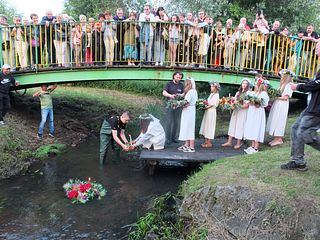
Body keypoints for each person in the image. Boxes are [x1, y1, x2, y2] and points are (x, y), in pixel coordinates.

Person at [281, 70, 320, 171]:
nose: (315, 52)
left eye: (317, 52)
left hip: (317, 111)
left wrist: (298, 87)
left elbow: (316, 84)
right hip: (311, 108)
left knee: (305, 134)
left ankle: (298, 161)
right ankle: (298, 162)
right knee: (295, 129)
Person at [266, 70, 294, 146]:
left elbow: (286, 97)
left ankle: (279, 139)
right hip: (278, 104)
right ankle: (276, 138)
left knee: (279, 120)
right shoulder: (282, 85)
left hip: (282, 105)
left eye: (282, 75)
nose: (281, 76)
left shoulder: (289, 85)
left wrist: (276, 97)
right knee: (275, 119)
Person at [222, 78, 251, 149]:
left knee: (240, 126)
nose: (244, 85)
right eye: (243, 83)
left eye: (246, 84)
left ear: (248, 85)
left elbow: (247, 105)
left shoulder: (248, 93)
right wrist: (230, 100)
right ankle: (229, 142)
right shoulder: (238, 92)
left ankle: (238, 143)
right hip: (236, 110)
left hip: (242, 111)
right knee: (233, 124)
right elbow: (235, 100)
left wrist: (239, 105)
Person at [243, 78, 270, 154]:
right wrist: (250, 101)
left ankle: (256, 148)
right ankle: (252, 146)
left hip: (258, 113)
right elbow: (249, 102)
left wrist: (255, 102)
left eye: (256, 84)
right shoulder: (254, 93)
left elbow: (260, 104)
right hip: (252, 112)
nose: (255, 86)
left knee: (257, 128)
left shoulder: (263, 94)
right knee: (252, 127)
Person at [162, 71, 184, 145]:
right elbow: (164, 92)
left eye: (180, 78)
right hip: (170, 106)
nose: (179, 79)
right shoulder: (169, 84)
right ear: (174, 76)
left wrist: (180, 95)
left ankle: (174, 138)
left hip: (178, 106)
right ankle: (167, 138)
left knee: (176, 122)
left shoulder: (181, 85)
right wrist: (170, 96)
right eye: (177, 77)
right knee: (168, 122)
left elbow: (184, 94)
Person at [178, 77, 198, 152]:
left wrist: (178, 104)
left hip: (189, 110)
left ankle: (192, 147)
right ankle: (186, 144)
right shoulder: (191, 91)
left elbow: (186, 103)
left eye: (186, 82)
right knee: (186, 126)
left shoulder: (191, 92)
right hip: (188, 111)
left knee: (189, 127)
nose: (185, 84)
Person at [199, 81, 220, 148]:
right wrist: (203, 104)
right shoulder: (211, 94)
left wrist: (205, 107)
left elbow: (212, 104)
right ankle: (206, 141)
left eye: (212, 86)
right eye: (211, 86)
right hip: (208, 111)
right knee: (206, 125)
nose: (211, 87)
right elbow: (208, 102)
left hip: (211, 112)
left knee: (210, 126)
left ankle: (209, 143)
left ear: (215, 87)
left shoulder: (216, 95)